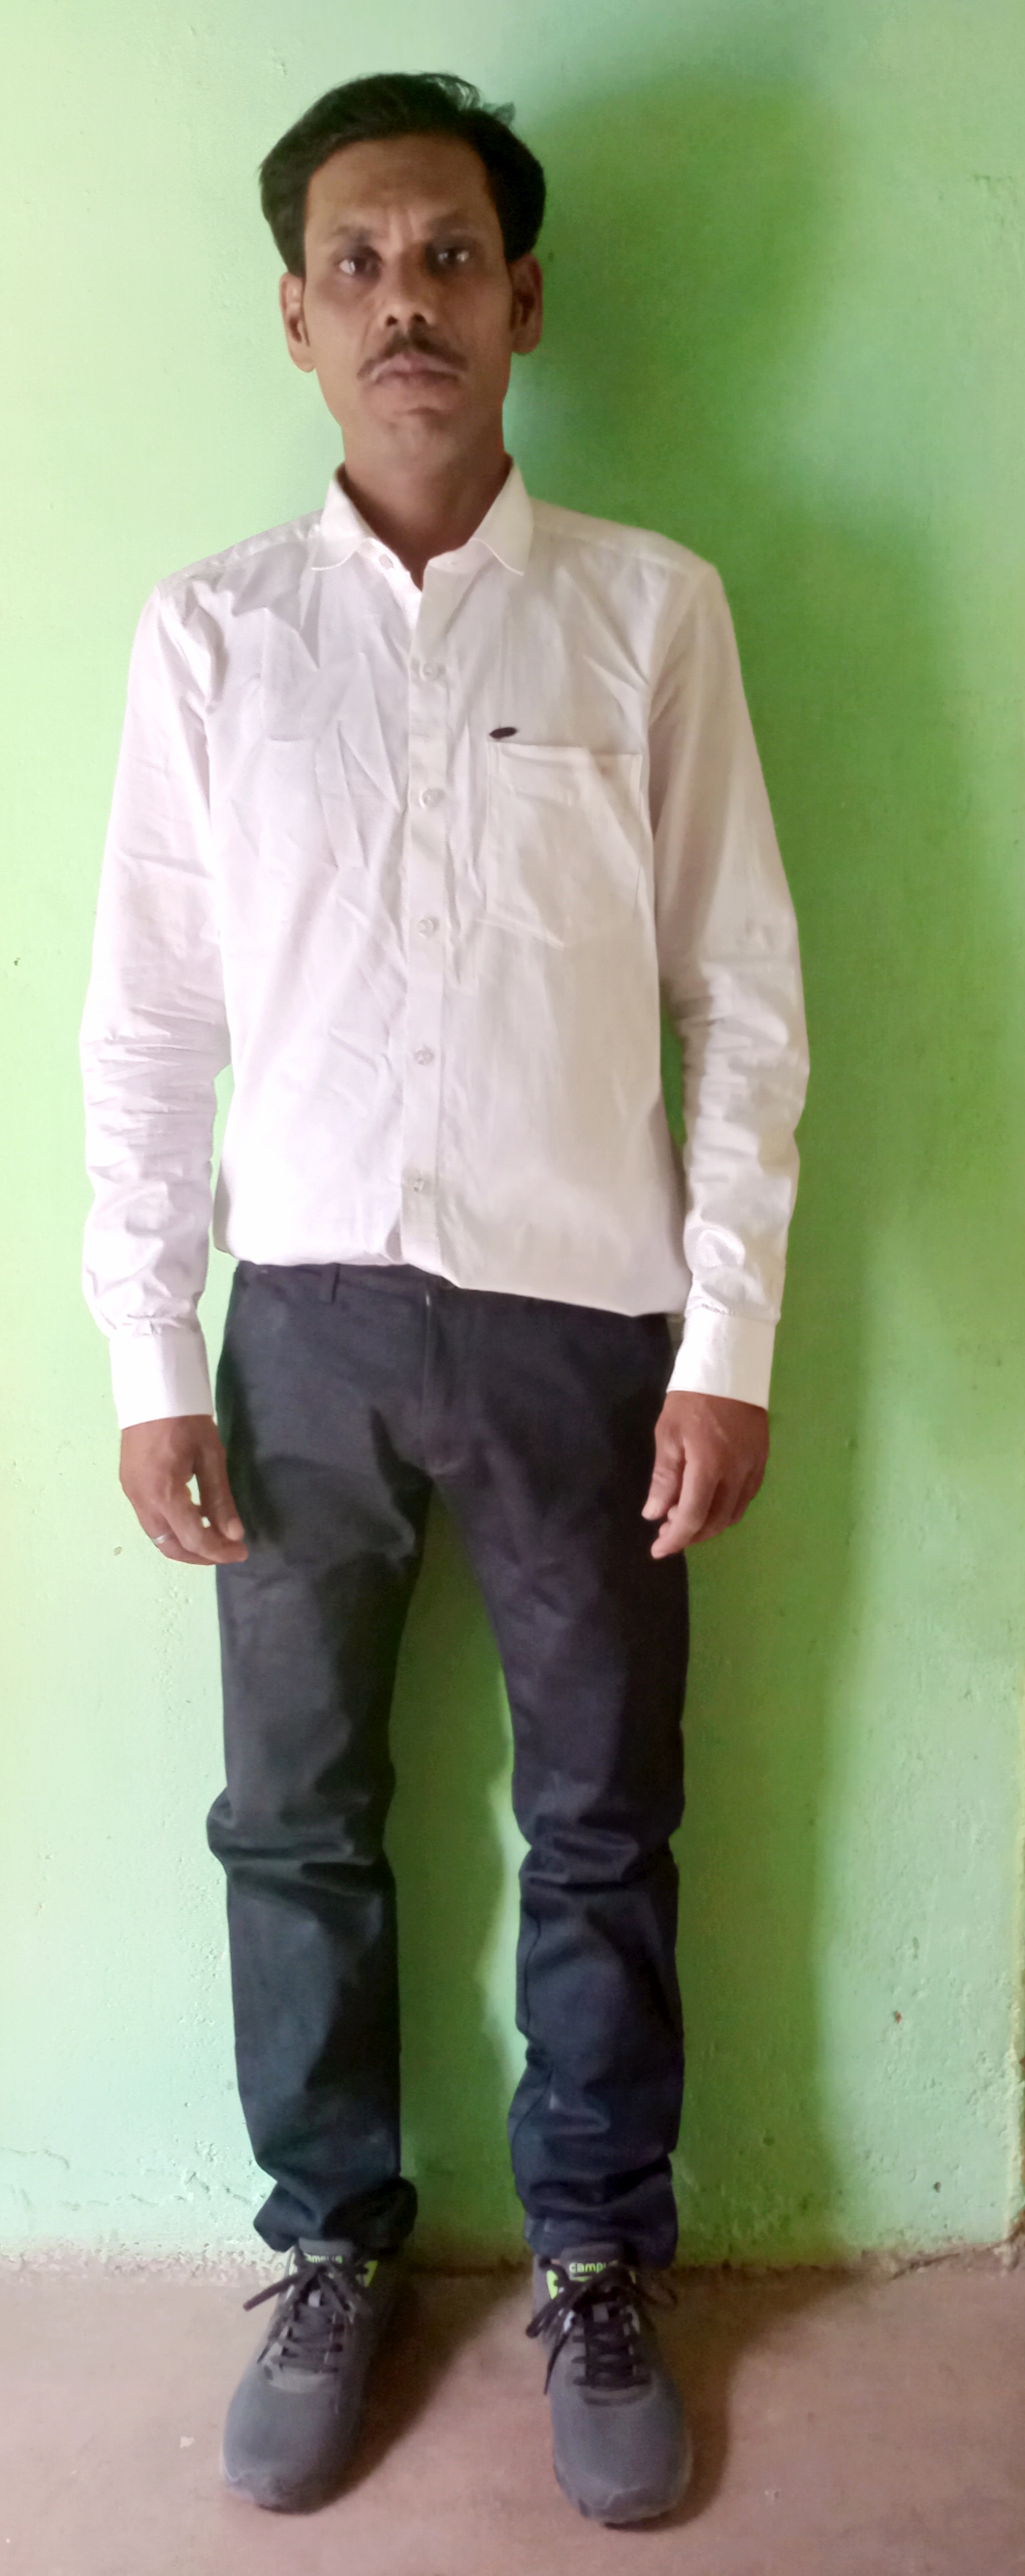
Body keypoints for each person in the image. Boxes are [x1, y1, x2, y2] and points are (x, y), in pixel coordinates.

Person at [80, 70, 809, 2528]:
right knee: (292, 1815)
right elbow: (148, 1022)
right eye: (361, 262)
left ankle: (597, 2251)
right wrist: (146, 1350)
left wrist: (727, 1337)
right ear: (295, 316)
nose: (411, 299)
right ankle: (332, 2241)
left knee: (602, 1813)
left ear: (527, 302)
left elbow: (743, 996)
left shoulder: (649, 610)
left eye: (454, 255)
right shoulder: (214, 637)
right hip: (295, 1332)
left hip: (586, 1326)